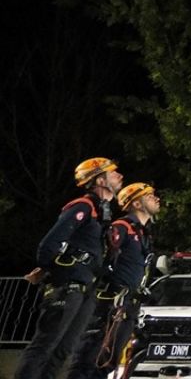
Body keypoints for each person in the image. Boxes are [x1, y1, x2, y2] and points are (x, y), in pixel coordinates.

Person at [15, 157, 124, 379]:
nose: (119, 176)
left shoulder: (102, 214)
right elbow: (48, 245)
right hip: (68, 287)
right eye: (113, 173)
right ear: (100, 180)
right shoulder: (84, 206)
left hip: (86, 290)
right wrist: (51, 270)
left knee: (64, 350)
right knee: (45, 346)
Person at [67, 182, 160, 379]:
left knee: (108, 363)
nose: (156, 199)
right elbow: (102, 257)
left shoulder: (143, 234)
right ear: (136, 203)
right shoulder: (121, 227)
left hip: (127, 307)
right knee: (89, 359)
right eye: (150, 196)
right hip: (109, 304)